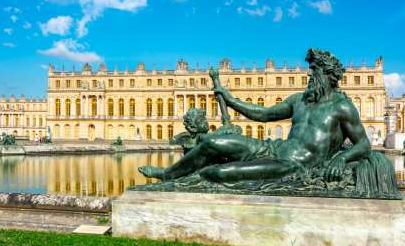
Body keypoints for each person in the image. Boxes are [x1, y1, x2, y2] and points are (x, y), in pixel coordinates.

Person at [139, 49, 370, 183]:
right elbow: (264, 114)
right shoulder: (300, 100)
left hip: (293, 164)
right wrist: (230, 100)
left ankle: (193, 179)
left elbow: (364, 144)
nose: (310, 77)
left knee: (220, 173)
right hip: (273, 148)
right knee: (212, 142)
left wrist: (341, 158)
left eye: (314, 73)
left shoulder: (342, 107)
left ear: (328, 76)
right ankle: (168, 174)